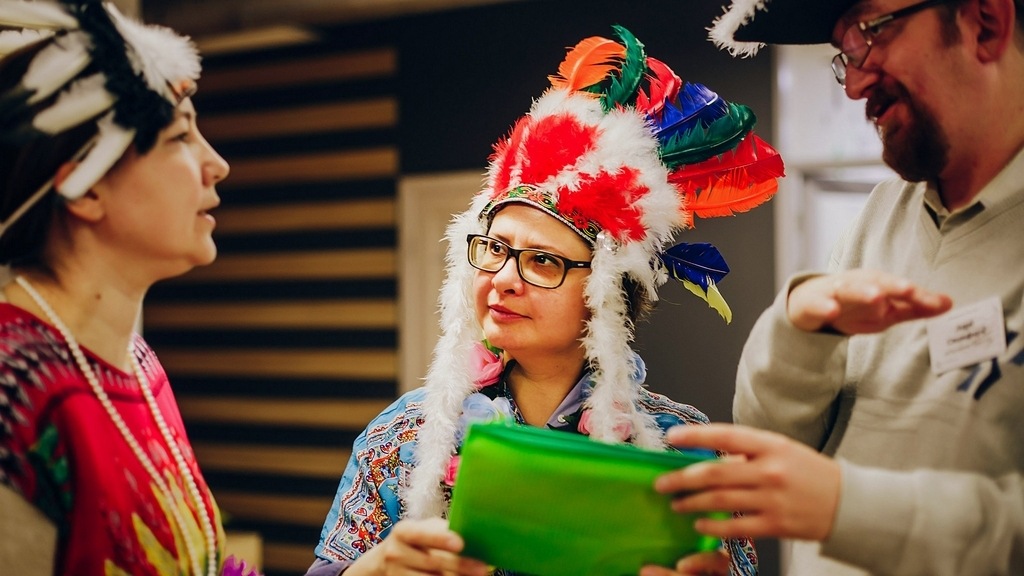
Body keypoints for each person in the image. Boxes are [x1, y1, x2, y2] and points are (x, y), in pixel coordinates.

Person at [306, 25, 784, 576]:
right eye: (494, 249)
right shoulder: (401, 437)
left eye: (542, 261)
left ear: (606, 295)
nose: (505, 278)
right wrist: (375, 570)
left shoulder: (677, 449)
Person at [652, 0, 1024, 575]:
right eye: (844, 53)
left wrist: (845, 507)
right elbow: (771, 450)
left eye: (870, 33)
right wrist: (796, 330)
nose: (853, 85)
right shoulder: (882, 214)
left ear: (986, 25)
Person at [0, 1, 255, 574]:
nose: (216, 164)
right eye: (180, 136)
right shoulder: (11, 388)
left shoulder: (137, 364)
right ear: (86, 189)